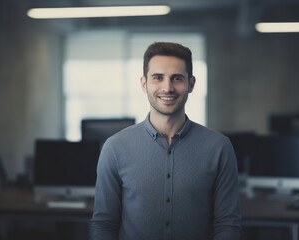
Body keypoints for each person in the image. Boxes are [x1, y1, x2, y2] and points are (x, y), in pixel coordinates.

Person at [91, 42, 241, 240]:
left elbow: (227, 225)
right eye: (158, 78)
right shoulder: (115, 148)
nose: (167, 88)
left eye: (177, 78)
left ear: (191, 83)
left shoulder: (219, 147)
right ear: (144, 84)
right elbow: (104, 224)